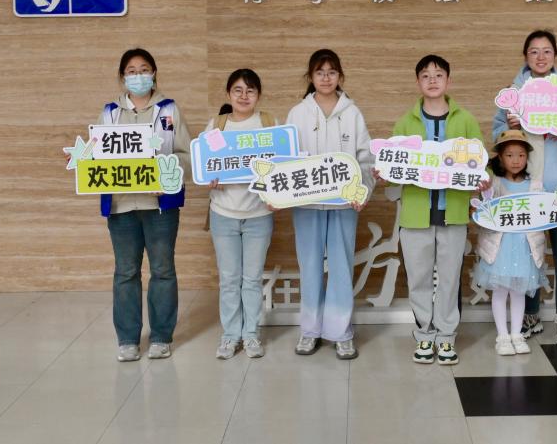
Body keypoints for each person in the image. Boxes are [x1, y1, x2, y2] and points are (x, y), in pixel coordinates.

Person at [492, 29, 557, 346]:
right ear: (525, 56)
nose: (540, 57)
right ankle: (530, 313)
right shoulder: (514, 94)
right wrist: (512, 128)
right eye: (534, 51)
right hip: (528, 189)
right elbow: (497, 137)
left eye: (547, 51)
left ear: (556, 55)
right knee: (528, 254)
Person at [383, 55, 488, 366]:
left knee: (449, 278)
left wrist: (482, 179)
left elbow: (479, 163)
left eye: (438, 74)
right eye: (426, 75)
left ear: (448, 81)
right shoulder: (405, 122)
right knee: (418, 278)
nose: (432, 80)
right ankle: (424, 335)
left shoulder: (465, 120)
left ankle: (446, 337)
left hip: (453, 212)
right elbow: (394, 169)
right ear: (418, 82)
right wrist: (384, 170)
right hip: (415, 215)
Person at [96, 48, 191, 362]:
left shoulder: (169, 110)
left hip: (160, 205)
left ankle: (161, 337)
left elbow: (186, 155)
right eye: (132, 71)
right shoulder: (109, 113)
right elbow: (96, 157)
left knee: (162, 270)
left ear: (154, 73)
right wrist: (82, 159)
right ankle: (127, 339)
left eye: (144, 69)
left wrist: (166, 171)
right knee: (125, 272)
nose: (139, 76)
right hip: (122, 206)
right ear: (123, 76)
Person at [286, 49, 374, 359]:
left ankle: (341, 331)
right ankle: (310, 330)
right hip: (307, 205)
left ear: (340, 76)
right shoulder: (298, 113)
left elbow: (365, 159)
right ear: (310, 76)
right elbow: (286, 160)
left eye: (332, 72)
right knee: (309, 265)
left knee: (340, 266)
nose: (326, 78)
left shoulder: (352, 113)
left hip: (343, 205)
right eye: (320, 72)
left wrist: (362, 192)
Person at [204, 69, 278, 360]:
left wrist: (278, 194)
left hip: (259, 214)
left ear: (258, 95)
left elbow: (283, 165)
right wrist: (210, 177)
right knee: (229, 279)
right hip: (223, 213)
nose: (244, 96)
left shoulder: (269, 124)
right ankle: (230, 336)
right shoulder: (217, 126)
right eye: (238, 90)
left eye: (250, 90)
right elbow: (206, 165)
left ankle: (251, 335)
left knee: (252, 279)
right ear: (228, 94)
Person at [472, 130, 547, 356]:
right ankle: (502, 336)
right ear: (500, 158)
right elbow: (482, 210)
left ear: (527, 158)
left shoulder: (535, 185)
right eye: (510, 155)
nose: (516, 160)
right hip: (500, 247)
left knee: (518, 292)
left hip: (525, 247)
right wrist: (481, 198)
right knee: (500, 292)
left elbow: (545, 211)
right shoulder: (493, 183)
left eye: (521, 155)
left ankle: (516, 334)